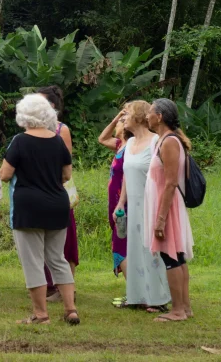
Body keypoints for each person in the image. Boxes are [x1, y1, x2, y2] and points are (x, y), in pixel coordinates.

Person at [0, 93, 80, 325]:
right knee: (58, 259)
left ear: (23, 115)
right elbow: (67, 174)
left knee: (33, 261)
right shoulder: (57, 140)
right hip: (57, 205)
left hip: (28, 207)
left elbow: (5, 174)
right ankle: (71, 310)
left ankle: (41, 314)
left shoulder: (19, 141)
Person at [113, 101, 170, 311]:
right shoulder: (129, 143)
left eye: (126, 114)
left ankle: (159, 298)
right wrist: (121, 202)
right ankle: (138, 295)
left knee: (152, 250)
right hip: (134, 205)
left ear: (138, 116)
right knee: (135, 249)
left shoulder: (156, 141)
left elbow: (166, 175)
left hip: (152, 203)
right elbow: (126, 176)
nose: (123, 118)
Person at [146, 98, 195, 322]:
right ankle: (185, 307)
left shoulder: (169, 142)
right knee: (177, 256)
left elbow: (171, 183)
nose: (147, 116)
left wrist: (161, 219)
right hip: (166, 205)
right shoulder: (163, 140)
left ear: (159, 117)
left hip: (168, 207)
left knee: (171, 257)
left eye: (150, 112)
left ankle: (177, 310)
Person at [37, 84, 78, 301]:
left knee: (65, 241)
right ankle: (48, 284)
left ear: (51, 106)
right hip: (38, 193)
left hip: (57, 191)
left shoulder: (62, 130)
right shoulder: (33, 129)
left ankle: (66, 288)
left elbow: (66, 167)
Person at [98, 106, 129, 279]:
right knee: (120, 241)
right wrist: (117, 117)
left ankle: (133, 288)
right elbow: (102, 138)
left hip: (124, 202)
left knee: (121, 243)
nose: (116, 124)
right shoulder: (119, 145)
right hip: (115, 201)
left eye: (119, 123)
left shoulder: (131, 147)